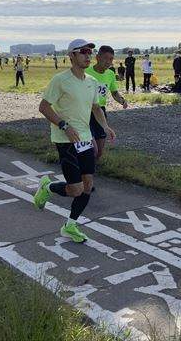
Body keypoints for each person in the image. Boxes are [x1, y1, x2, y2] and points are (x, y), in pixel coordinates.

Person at [34, 39, 115, 243]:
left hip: (85, 139)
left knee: (87, 186)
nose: (88, 55)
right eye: (83, 52)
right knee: (75, 189)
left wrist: (105, 127)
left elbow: (96, 108)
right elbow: (44, 107)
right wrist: (64, 126)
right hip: (65, 140)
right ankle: (47, 187)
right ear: (72, 55)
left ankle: (70, 225)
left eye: (90, 52)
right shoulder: (60, 80)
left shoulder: (92, 81)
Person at [85, 45, 128, 160]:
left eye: (111, 59)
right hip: (86, 111)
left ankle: (93, 167)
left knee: (99, 151)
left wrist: (122, 100)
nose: (108, 62)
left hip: (100, 111)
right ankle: (86, 167)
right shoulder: (86, 72)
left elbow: (114, 92)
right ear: (97, 57)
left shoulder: (110, 74)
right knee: (92, 149)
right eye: (105, 58)